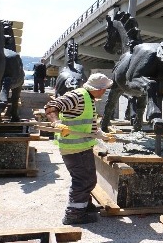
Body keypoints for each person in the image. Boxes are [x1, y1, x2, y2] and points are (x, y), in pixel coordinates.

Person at [44, 73, 114, 225]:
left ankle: (84, 206)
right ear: (97, 88)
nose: (104, 92)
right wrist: (56, 122)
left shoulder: (89, 98)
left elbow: (90, 126)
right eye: (104, 89)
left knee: (88, 179)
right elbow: (51, 107)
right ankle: (73, 214)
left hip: (82, 146)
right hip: (73, 148)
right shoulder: (77, 96)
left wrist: (103, 135)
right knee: (83, 180)